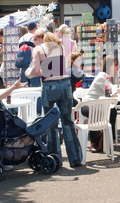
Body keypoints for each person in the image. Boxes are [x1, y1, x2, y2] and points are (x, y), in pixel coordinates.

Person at [25, 32, 82, 168]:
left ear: (41, 39)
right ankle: (75, 158)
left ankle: (55, 159)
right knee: (68, 122)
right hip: (66, 84)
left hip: (50, 86)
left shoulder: (39, 49)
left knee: (51, 123)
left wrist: (28, 73)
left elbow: (36, 69)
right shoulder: (61, 47)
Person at [81, 55, 118, 153]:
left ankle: (108, 138)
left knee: (112, 110)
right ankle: (94, 142)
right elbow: (111, 90)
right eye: (116, 65)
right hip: (87, 104)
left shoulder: (110, 76)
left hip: (98, 104)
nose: (117, 67)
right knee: (97, 112)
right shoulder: (102, 75)